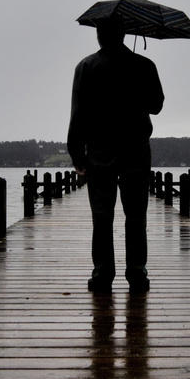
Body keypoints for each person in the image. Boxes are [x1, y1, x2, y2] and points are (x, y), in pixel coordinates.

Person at [67, 19, 164, 293]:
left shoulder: (86, 67)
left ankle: (102, 274)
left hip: (99, 153)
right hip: (136, 151)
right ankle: (136, 273)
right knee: (136, 215)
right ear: (124, 35)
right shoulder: (144, 66)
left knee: (102, 215)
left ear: (99, 35)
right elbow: (156, 105)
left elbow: (78, 114)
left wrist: (77, 154)